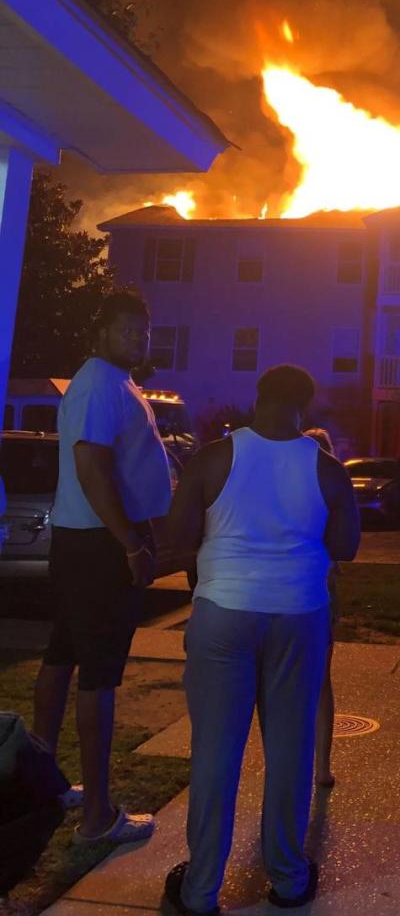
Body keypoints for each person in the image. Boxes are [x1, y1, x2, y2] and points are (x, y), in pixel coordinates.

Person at [163, 367, 360, 915]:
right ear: (306, 405)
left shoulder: (212, 457)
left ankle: (200, 889)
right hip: (299, 613)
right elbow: (345, 546)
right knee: (291, 751)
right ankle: (289, 879)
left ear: (257, 399)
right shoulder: (326, 468)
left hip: (223, 611)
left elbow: (176, 536)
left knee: (214, 754)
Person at [32, 289, 169, 844]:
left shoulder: (117, 383)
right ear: (102, 332)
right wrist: (130, 543)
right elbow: (92, 466)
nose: (138, 338)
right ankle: (97, 818)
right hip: (98, 547)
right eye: (127, 330)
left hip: (84, 542)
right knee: (99, 674)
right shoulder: (96, 384)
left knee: (63, 657)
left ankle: (42, 783)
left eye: (144, 330)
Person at [303, 428, 340, 791]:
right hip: (320, 594)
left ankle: (294, 764)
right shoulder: (330, 492)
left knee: (284, 683)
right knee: (320, 683)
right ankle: (322, 768)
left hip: (293, 592)